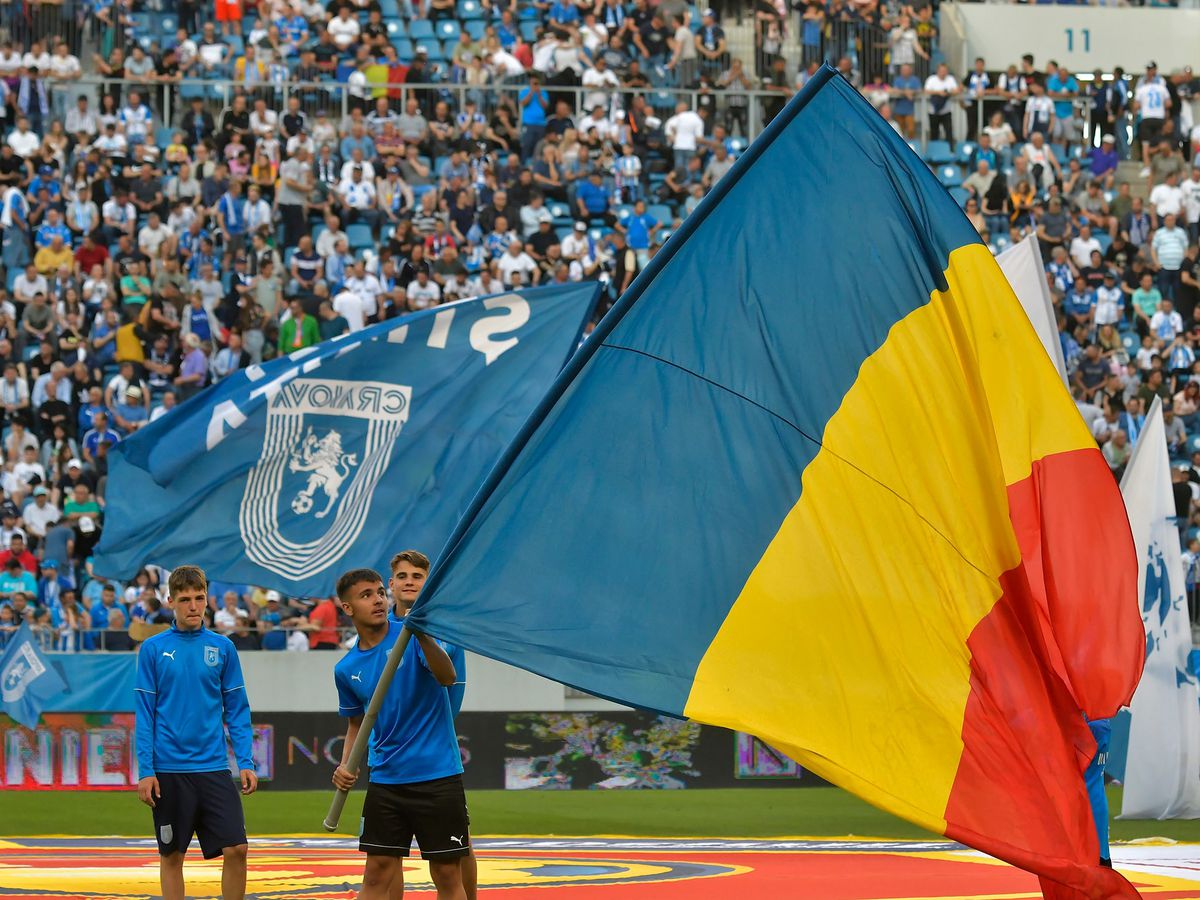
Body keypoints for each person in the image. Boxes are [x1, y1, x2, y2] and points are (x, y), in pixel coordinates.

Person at [331, 567, 467, 900]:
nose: (377, 600)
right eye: (366, 595)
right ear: (347, 608)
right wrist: (346, 765)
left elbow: (447, 676)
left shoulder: (410, 634)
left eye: (379, 592)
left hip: (437, 775)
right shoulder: (346, 668)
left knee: (447, 874)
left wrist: (421, 633)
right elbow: (356, 724)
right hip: (386, 782)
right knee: (377, 873)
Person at [134, 565, 257, 900]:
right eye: (185, 599)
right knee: (172, 856)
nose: (193, 605)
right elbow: (144, 715)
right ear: (171, 600)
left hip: (214, 769)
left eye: (199, 598)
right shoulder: (153, 649)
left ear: (207, 599)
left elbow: (237, 709)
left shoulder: (224, 648)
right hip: (169, 772)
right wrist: (146, 771)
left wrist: (245, 761)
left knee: (238, 849)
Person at [387, 549, 477, 899]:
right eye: (403, 576)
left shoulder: (445, 630)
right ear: (391, 583)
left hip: (436, 760)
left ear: (428, 583)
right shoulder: (377, 629)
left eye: (417, 576)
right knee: (386, 855)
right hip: (389, 763)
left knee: (458, 848)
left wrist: (432, 730)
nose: (410, 582)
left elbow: (454, 690)